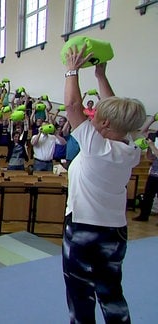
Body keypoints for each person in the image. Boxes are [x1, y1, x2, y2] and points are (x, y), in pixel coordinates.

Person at [62, 45, 147, 324]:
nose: (93, 114)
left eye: (97, 113)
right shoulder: (130, 148)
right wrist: (100, 76)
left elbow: (73, 107)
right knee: (111, 293)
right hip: (114, 232)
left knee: (80, 294)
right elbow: (115, 112)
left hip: (85, 229)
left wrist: (72, 69)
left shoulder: (95, 147)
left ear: (105, 123)